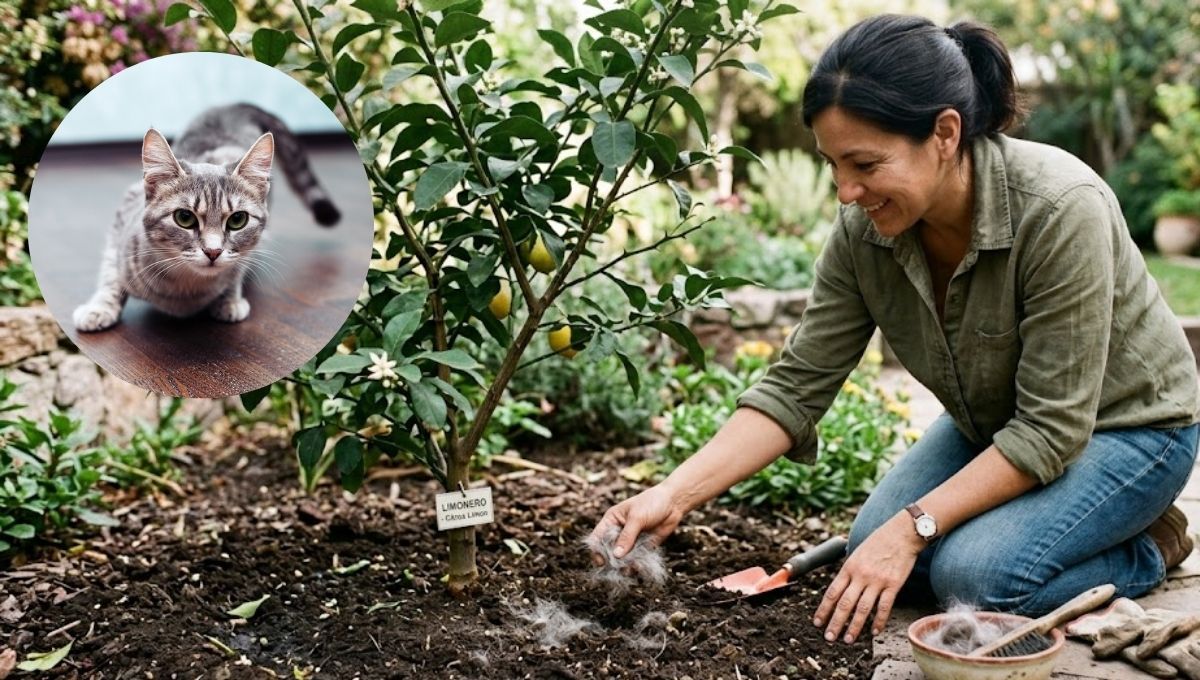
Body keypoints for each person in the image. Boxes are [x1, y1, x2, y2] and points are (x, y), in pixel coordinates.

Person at [590, 14, 1199, 647]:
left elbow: (1051, 429)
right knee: (881, 556)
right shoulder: (865, 233)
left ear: (945, 133)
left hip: (1132, 431)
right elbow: (796, 386)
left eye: (864, 164)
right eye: (832, 164)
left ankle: (1149, 546)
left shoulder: (1059, 208)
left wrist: (913, 528)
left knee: (977, 579)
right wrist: (673, 494)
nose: (845, 191)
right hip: (999, 423)